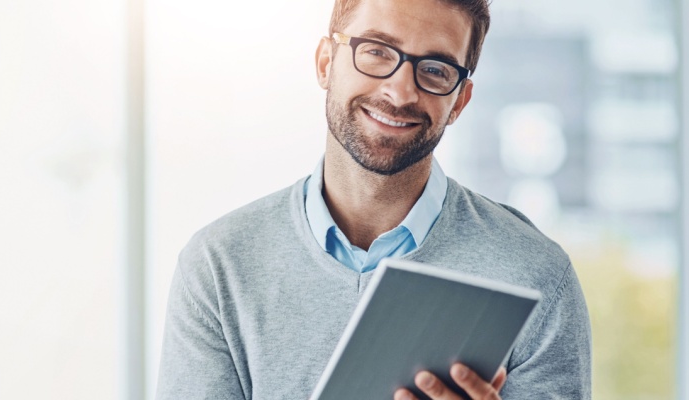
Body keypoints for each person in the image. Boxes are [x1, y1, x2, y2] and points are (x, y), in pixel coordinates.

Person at [155, 0, 592, 398]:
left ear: (459, 102)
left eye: (436, 69)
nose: (400, 93)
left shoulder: (536, 276)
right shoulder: (219, 267)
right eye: (378, 51)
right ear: (326, 62)